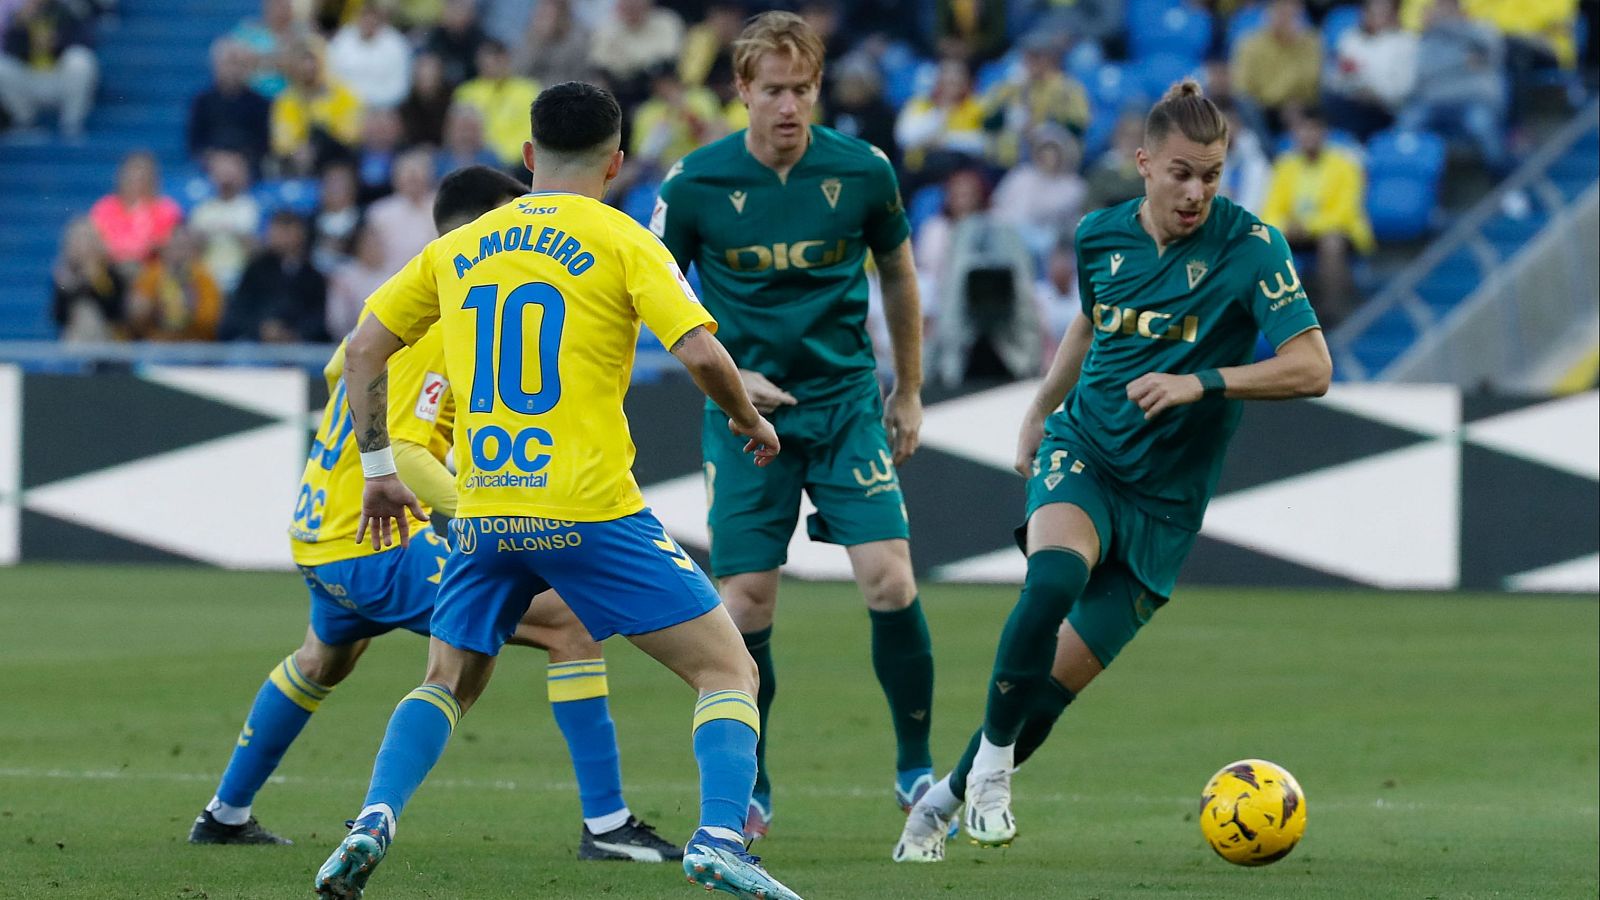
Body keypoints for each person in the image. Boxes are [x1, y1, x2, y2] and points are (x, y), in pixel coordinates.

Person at [311, 82, 802, 900]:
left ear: (530, 156)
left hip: (487, 510)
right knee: (727, 671)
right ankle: (720, 838)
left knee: (447, 680)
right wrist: (750, 420)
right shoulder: (623, 239)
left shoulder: (455, 247)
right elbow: (704, 355)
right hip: (588, 507)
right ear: (615, 162)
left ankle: (371, 821)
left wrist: (378, 472)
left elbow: (363, 351)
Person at [191, 166, 681, 866]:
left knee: (322, 659)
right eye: (519, 216)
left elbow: (342, 375)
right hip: (379, 537)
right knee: (570, 624)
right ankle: (607, 825)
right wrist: (489, 520)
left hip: (319, 530)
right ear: (486, 224)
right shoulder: (454, 315)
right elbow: (416, 454)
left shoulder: (395, 308)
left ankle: (225, 813)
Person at [893, 79, 1332, 862]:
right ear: (1143, 164)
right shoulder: (1099, 236)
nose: (1196, 191)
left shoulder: (1250, 246)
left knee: (1046, 701)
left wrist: (1205, 380)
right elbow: (1091, 327)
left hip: (1165, 507)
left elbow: (1312, 367)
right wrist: (1038, 409)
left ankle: (941, 801)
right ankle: (990, 776)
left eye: (1213, 174)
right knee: (1053, 578)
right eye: (1181, 172)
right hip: (1087, 449)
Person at [652, 12, 933, 842]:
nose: (788, 105)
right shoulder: (692, 185)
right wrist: (731, 378)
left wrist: (909, 390)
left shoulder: (864, 171)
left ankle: (915, 768)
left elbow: (900, 274)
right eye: (772, 89)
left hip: (846, 404)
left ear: (818, 90)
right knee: (746, 599)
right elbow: (655, 303)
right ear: (741, 91)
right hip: (746, 414)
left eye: (802, 89)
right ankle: (755, 783)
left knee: (891, 579)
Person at [1260, 107, 1374, 328]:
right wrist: (1284, 227)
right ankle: (1280, 319)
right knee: (1267, 244)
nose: (1308, 135)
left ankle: (1331, 315)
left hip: (1340, 233)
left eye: (1313, 130)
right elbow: (1271, 210)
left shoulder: (1344, 165)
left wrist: (1308, 226)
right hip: (1295, 232)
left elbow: (1344, 213)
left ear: (1324, 133)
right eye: (1302, 130)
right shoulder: (1285, 167)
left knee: (1331, 243)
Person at [0, 0, 97, 138]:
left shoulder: (67, 11)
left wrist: (56, 42)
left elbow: (86, 43)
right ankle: (25, 122)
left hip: (60, 77)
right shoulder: (20, 15)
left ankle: (71, 123)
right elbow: (10, 52)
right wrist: (19, 26)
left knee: (80, 60)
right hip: (30, 78)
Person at [187, 38, 271, 172]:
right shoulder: (202, 101)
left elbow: (265, 143)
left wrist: (240, 160)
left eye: (237, 63)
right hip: (212, 168)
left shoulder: (260, 103)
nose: (232, 69)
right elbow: (195, 142)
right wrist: (214, 158)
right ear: (215, 65)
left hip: (249, 168)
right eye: (227, 63)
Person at [87, 151, 182, 269]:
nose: (136, 181)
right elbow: (94, 240)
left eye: (142, 177)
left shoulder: (167, 209)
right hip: (110, 268)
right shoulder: (104, 207)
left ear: (153, 180)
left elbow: (169, 244)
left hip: (152, 270)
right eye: (131, 176)